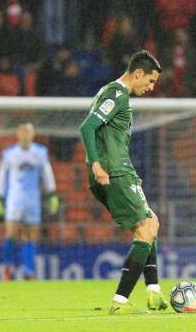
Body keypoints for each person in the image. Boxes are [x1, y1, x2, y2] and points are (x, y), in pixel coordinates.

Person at [78, 50, 167, 315]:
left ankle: (153, 293)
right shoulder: (116, 94)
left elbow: (111, 140)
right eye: (150, 81)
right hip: (112, 172)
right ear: (138, 74)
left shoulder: (114, 93)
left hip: (120, 170)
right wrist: (97, 164)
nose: (150, 88)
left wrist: (127, 171)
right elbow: (86, 127)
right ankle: (120, 301)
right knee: (144, 230)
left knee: (151, 222)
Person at [0, 122, 59, 280]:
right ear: (17, 133)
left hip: (33, 199)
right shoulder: (9, 153)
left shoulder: (40, 152)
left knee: (30, 236)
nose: (25, 134)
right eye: (23, 131)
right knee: (11, 234)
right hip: (14, 199)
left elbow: (47, 173)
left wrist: (52, 194)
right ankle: (8, 267)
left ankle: (28, 271)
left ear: (33, 133)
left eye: (28, 131)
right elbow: (1, 175)